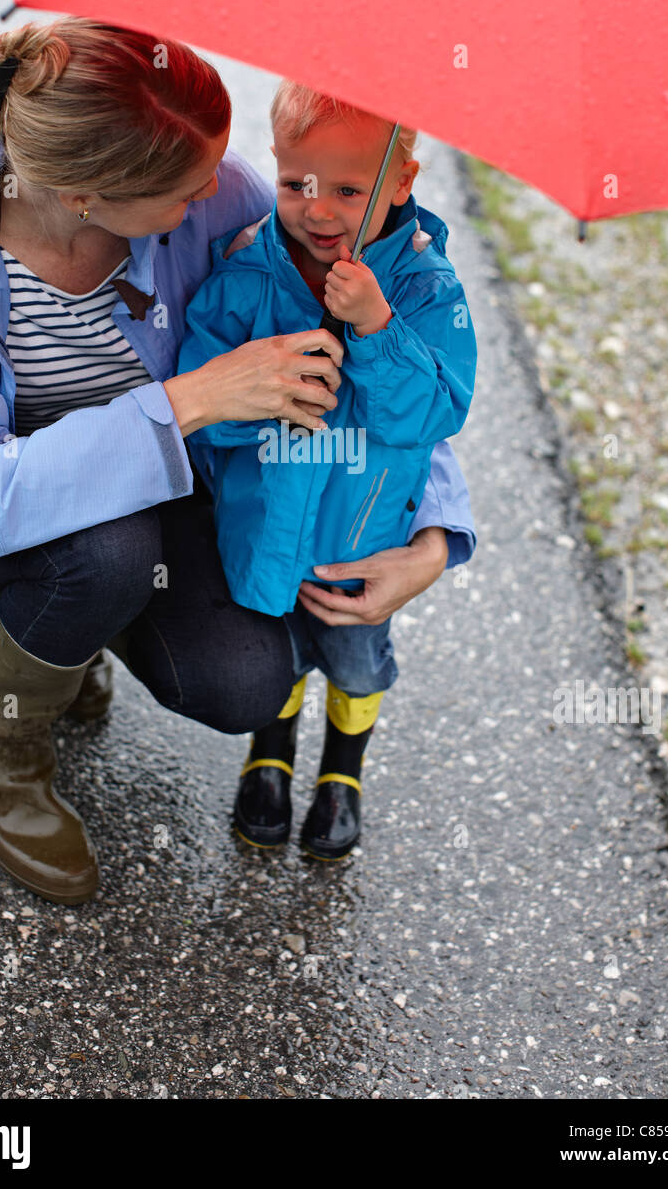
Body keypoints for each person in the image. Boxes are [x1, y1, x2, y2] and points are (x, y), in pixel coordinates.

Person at [0, 16, 475, 904]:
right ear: (87, 197)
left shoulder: (217, 194)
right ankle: (4, 751)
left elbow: (381, 393)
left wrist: (435, 534)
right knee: (103, 550)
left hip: (160, 481)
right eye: (189, 191)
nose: (224, 195)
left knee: (246, 681)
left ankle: (74, 635)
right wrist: (192, 399)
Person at [177, 82, 477, 860]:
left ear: (401, 182)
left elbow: (434, 412)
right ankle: (269, 757)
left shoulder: (422, 288)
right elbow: (203, 404)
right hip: (263, 526)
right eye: (296, 184)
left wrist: (376, 329)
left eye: (349, 189)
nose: (318, 210)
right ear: (275, 166)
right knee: (272, 649)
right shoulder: (246, 273)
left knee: (351, 660)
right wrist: (260, 400)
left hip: (360, 538)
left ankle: (343, 771)